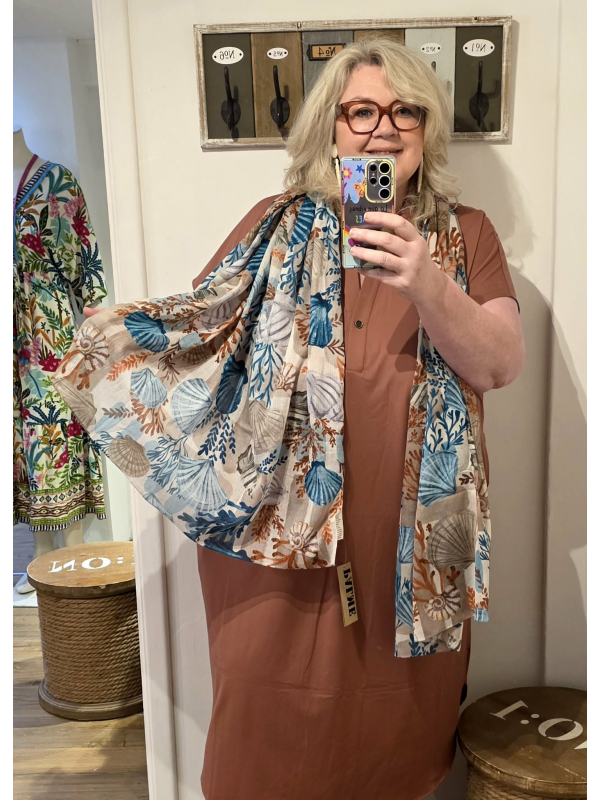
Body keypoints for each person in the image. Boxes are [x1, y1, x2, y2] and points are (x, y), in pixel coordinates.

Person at [81, 38, 524, 800]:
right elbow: (206, 337)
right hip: (275, 540)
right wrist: (111, 346)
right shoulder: (275, 223)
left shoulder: (468, 235)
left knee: (396, 730)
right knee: (264, 722)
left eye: (405, 111)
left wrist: (427, 282)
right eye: (362, 111)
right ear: (332, 127)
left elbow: (500, 363)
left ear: (427, 129)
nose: (383, 128)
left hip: (412, 549)